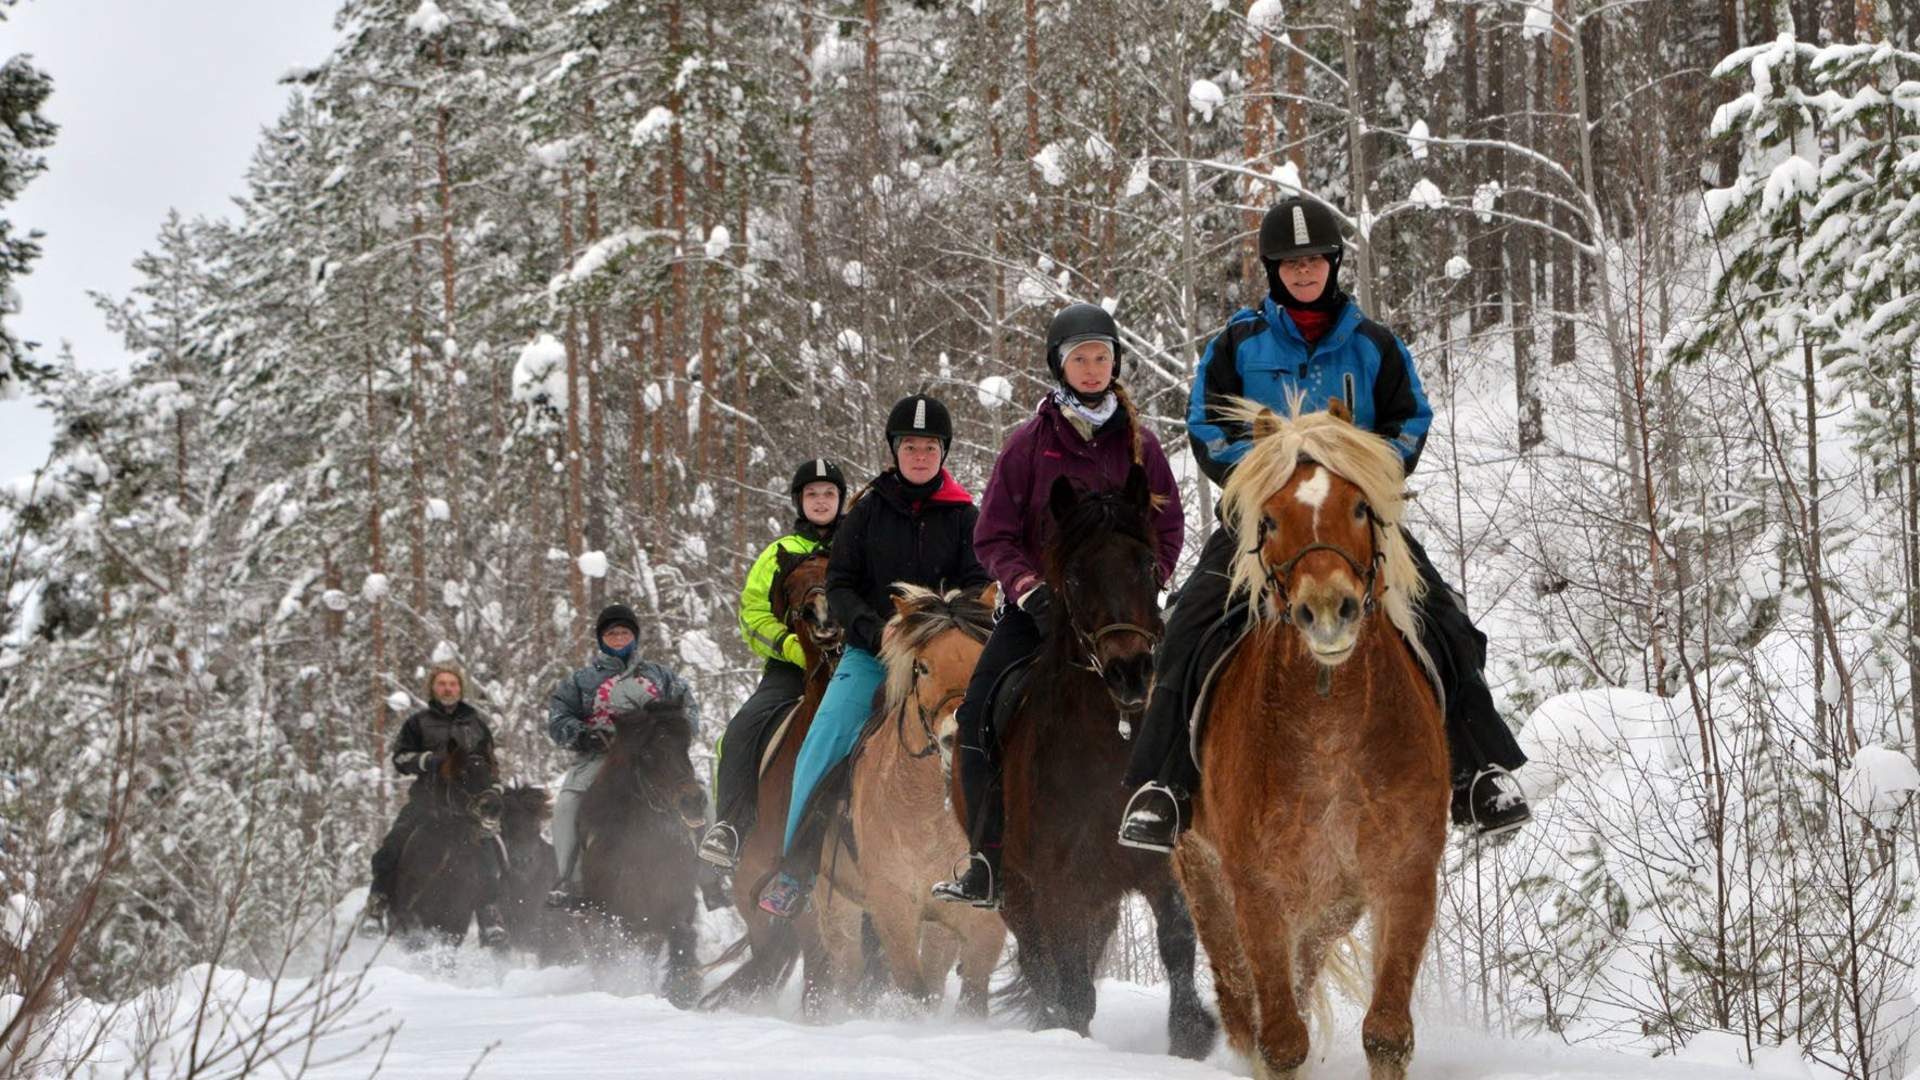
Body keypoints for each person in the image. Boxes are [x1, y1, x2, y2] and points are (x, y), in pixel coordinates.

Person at [1117, 195, 1532, 852]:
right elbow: (1205, 423)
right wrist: (1260, 479)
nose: (1303, 271)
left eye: (1313, 260)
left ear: (1332, 263)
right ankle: (1164, 788)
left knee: (1441, 617)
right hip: (1270, 521)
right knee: (1191, 620)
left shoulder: (1373, 344)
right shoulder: (1237, 343)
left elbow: (1410, 418)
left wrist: (1366, 468)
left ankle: (1479, 771)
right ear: (1272, 269)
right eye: (1290, 262)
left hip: (1357, 521)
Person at [930, 303, 1185, 909]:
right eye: (1080, 359)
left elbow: (1168, 526)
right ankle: (988, 861)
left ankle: (1190, 838)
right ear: (1059, 366)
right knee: (977, 717)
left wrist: (1152, 581)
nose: (1092, 369)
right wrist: (1027, 588)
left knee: (1190, 700)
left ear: (1115, 363)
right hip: (1041, 614)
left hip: (1125, 614)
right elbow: (992, 535)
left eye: (1102, 357)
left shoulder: (1142, 444)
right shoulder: (1027, 447)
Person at [756, 394, 992, 919]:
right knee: (825, 735)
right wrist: (872, 629)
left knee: (998, 729)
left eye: (930, 447)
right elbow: (840, 584)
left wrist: (947, 626)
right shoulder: (865, 512)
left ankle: (995, 861)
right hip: (873, 653)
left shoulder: (963, 516)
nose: (920, 455)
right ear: (894, 450)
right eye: (911, 446)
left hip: (944, 655)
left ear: (943, 452)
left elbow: (979, 582)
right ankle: (796, 867)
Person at [697, 458, 848, 871]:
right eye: (812, 494)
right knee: (739, 732)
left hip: (853, 666)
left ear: (841, 499)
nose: (821, 501)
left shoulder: (858, 548)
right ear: (799, 501)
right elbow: (753, 615)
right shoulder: (777, 553)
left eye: (828, 493)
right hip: (792, 673)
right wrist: (792, 646)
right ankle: (731, 826)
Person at [546, 602, 701, 909]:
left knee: (700, 798)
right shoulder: (581, 681)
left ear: (635, 637)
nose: (618, 638)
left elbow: (689, 711)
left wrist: (674, 734)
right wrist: (584, 734)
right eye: (612, 633)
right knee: (566, 806)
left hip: (657, 760)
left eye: (625, 632)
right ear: (602, 638)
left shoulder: (661, 676)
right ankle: (571, 881)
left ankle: (710, 878)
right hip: (602, 759)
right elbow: (558, 717)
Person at [361, 664, 509, 947]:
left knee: (493, 852)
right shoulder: (417, 723)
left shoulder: (476, 725)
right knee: (391, 847)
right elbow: (400, 759)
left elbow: (491, 764)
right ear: (432, 688)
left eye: (452, 684)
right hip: (427, 802)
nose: (447, 688)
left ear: (460, 688)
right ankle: (377, 905)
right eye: (441, 683)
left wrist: (493, 789)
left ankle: (490, 915)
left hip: (468, 808)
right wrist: (427, 760)